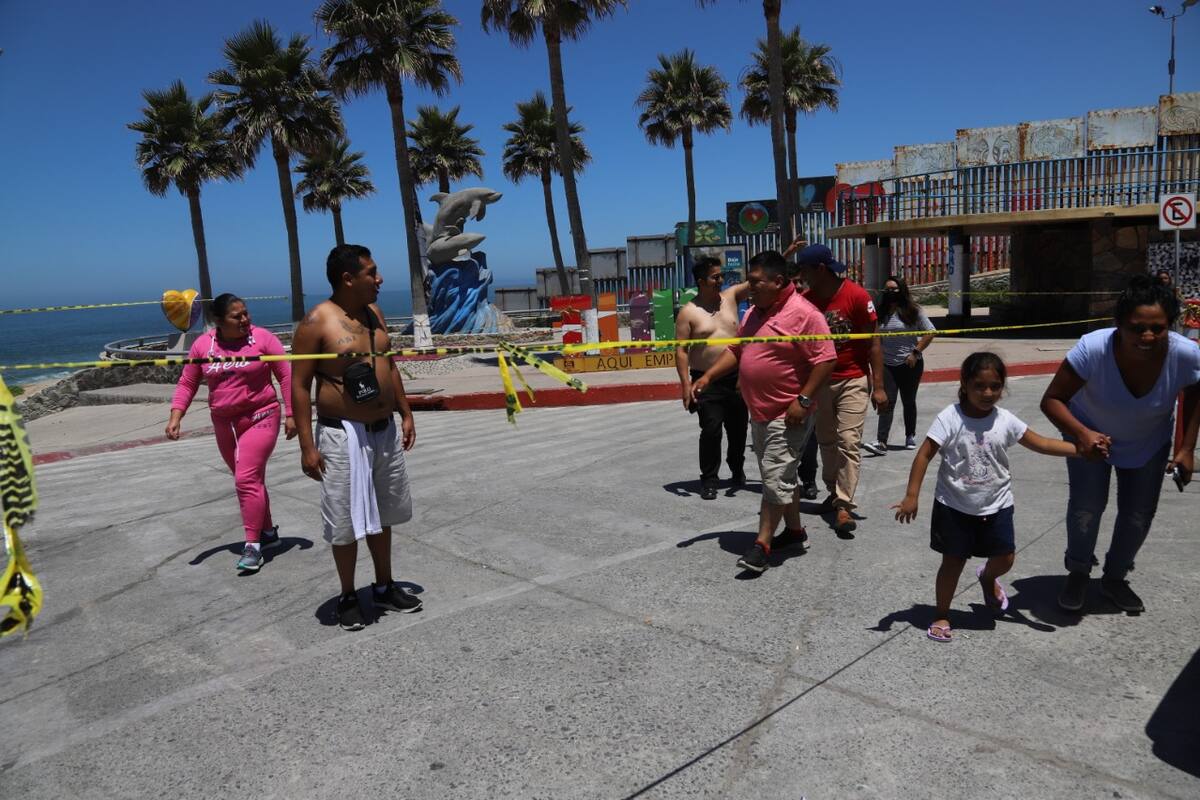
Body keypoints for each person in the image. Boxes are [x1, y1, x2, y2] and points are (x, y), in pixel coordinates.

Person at [893, 353, 1081, 643]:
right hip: (954, 505)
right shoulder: (950, 417)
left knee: (1005, 558)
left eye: (995, 386)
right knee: (952, 563)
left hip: (997, 504)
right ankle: (942, 613)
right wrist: (911, 495)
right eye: (980, 386)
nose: (988, 393)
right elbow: (925, 454)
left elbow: (1041, 443)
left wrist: (1079, 449)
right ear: (964, 384)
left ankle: (988, 577)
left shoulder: (1004, 420)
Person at [1040, 275, 1200, 614]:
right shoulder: (1093, 348)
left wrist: (1185, 448)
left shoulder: (1185, 354)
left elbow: (1195, 392)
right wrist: (1083, 434)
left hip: (1149, 440)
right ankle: (1079, 571)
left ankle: (1115, 577)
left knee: (1138, 514)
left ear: (1169, 326)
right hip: (1089, 437)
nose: (1147, 337)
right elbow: (1052, 399)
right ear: (1118, 324)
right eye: (1136, 328)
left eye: (1157, 328)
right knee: (1087, 506)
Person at [291, 244, 422, 631]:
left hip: (383, 431)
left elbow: (390, 366)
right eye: (372, 272)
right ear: (348, 278)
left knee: (384, 512)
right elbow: (299, 387)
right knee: (345, 518)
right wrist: (306, 446)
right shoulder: (316, 323)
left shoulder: (375, 314)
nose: (379, 279)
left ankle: (384, 585)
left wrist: (406, 411)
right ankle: (348, 595)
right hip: (341, 436)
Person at [693, 250, 836, 573]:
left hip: (788, 413)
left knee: (774, 478)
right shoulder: (755, 312)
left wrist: (802, 400)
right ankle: (796, 533)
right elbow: (738, 349)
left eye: (755, 282)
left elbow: (825, 359)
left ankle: (762, 544)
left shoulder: (805, 314)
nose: (749, 287)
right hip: (759, 411)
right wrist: (708, 376)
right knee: (781, 477)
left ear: (778, 281)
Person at [167, 293, 296, 572]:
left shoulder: (263, 339)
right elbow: (188, 382)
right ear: (218, 321)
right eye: (237, 316)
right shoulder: (203, 345)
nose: (245, 319)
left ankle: (252, 546)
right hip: (223, 422)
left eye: (246, 313)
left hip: (261, 414)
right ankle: (269, 534)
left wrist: (291, 414)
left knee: (245, 478)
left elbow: (286, 375)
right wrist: (176, 416)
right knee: (251, 480)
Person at [795, 244, 889, 535]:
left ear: (819, 270)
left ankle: (845, 505)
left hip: (853, 378)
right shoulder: (806, 302)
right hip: (821, 382)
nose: (803, 276)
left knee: (849, 440)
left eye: (805, 271)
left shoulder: (857, 296)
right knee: (826, 442)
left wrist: (879, 387)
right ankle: (833, 493)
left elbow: (873, 343)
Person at [674, 256, 750, 500]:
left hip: (736, 378)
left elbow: (760, 278)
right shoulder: (688, 312)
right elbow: (681, 351)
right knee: (711, 430)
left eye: (721, 276)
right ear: (701, 281)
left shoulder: (730, 298)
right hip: (705, 380)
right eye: (715, 277)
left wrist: (787, 254)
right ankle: (709, 478)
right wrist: (686, 385)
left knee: (738, 430)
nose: (721, 280)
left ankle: (737, 468)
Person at [864, 275, 936, 455]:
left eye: (894, 290)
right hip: (887, 363)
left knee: (908, 400)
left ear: (901, 291)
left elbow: (930, 332)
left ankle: (910, 434)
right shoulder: (880, 313)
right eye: (887, 290)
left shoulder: (913, 311)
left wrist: (916, 352)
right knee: (887, 401)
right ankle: (881, 441)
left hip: (909, 363)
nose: (890, 293)